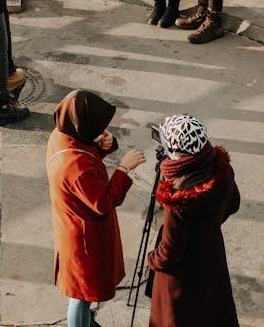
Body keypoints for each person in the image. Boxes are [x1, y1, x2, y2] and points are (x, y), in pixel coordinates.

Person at [46, 89, 146, 327]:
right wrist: (123, 170)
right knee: (80, 296)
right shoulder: (75, 165)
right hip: (83, 241)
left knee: (80, 292)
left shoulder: (61, 135)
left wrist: (101, 147)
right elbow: (103, 202)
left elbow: (85, 162)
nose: (101, 131)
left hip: (73, 229)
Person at [148, 114, 240, 327]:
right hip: (210, 258)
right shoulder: (221, 169)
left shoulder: (179, 197)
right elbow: (233, 203)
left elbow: (171, 251)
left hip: (182, 279)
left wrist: (152, 258)